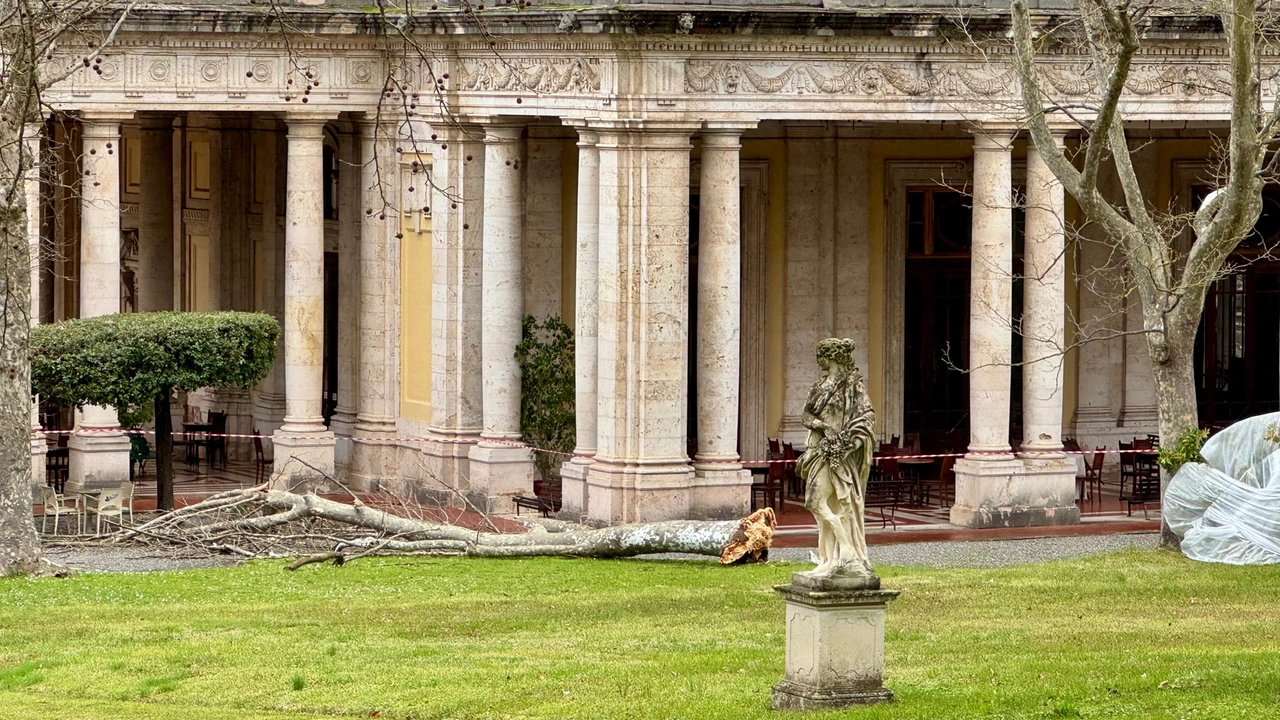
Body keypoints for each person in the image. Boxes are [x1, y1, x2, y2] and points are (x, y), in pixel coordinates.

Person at [797, 338, 877, 578]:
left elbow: (867, 416)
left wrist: (850, 443)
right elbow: (806, 415)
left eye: (820, 356)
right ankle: (830, 558)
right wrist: (822, 426)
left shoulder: (853, 385)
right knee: (818, 504)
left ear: (829, 357)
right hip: (820, 450)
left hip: (841, 453)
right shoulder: (819, 386)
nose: (818, 361)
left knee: (833, 503)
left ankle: (847, 552)